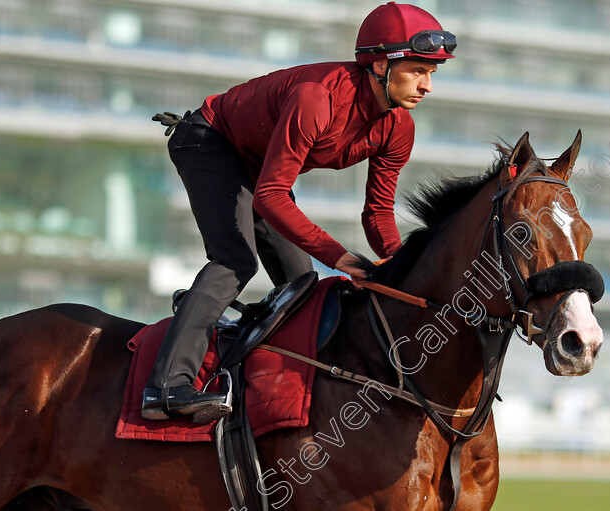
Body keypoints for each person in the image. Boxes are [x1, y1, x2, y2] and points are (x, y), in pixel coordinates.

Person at [141, 2, 456, 422]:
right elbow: (272, 196)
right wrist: (342, 259)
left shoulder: (399, 126)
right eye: (418, 70)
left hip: (255, 170)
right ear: (380, 64)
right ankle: (165, 388)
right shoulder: (317, 98)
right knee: (235, 261)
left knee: (302, 285)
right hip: (208, 141)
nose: (427, 86)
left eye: (431, 73)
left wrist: (400, 266)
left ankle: (251, 370)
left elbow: (378, 210)